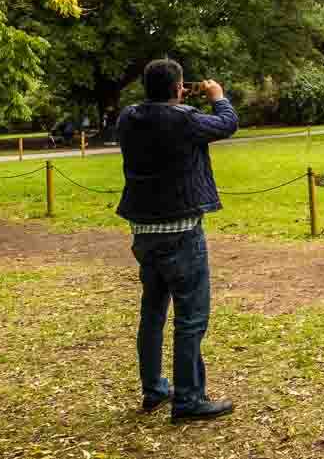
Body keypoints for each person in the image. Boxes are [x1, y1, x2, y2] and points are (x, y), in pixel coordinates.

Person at [116, 59, 238, 423]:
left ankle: (154, 389)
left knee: (152, 313)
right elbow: (226, 124)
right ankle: (189, 398)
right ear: (176, 88)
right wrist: (218, 97)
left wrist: (181, 97)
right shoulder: (183, 118)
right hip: (181, 230)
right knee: (191, 316)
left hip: (143, 232)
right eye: (182, 85)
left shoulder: (128, 118)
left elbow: (167, 118)